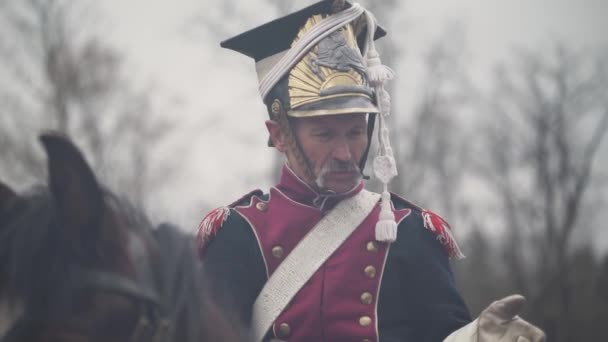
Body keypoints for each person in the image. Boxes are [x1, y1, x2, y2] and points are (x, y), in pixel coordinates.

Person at [196, 1, 546, 341]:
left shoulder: (410, 232)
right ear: (279, 135)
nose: (346, 153)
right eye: (325, 134)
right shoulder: (238, 235)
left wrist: (476, 340)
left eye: (356, 131)